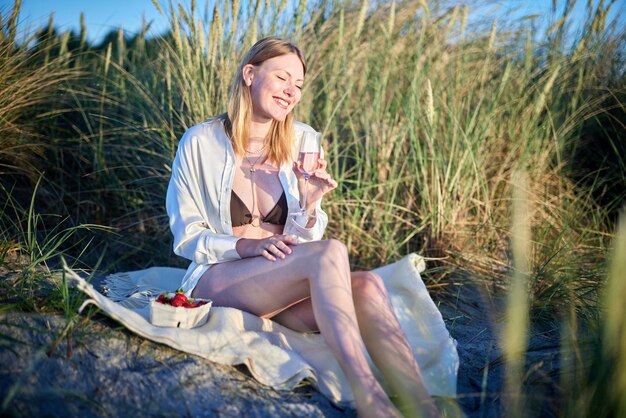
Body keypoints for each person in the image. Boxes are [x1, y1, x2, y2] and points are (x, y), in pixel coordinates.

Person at [166, 37, 440, 418]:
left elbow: (305, 244)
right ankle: (370, 401)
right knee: (334, 252)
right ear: (249, 74)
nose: (291, 92)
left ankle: (424, 407)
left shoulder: (303, 140)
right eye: (282, 78)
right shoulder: (200, 142)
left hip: (277, 288)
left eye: (298, 86)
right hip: (219, 278)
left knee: (367, 285)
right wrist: (244, 247)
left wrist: (309, 205)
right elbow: (187, 234)